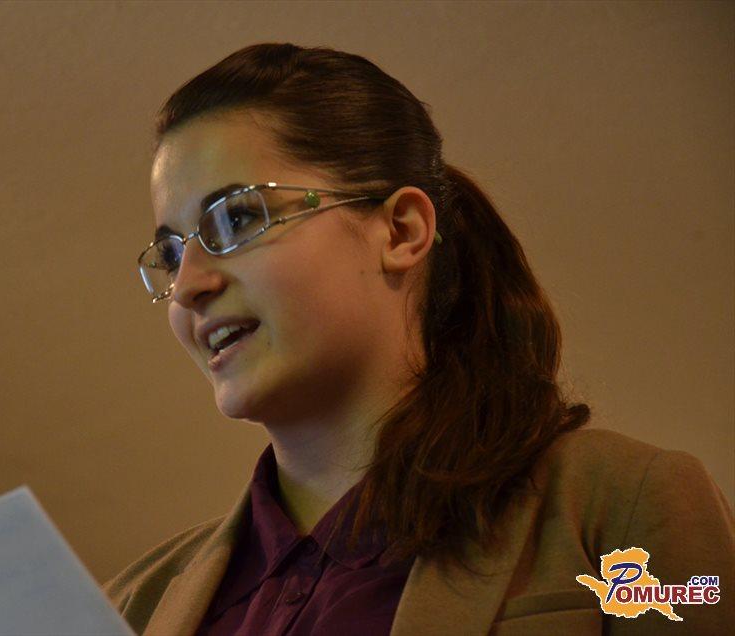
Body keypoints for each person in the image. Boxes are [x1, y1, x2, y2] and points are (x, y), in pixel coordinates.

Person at [105, 43, 734, 635]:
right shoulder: (131, 604)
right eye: (171, 254)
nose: (189, 286)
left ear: (402, 231)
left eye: (238, 217)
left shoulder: (622, 501)